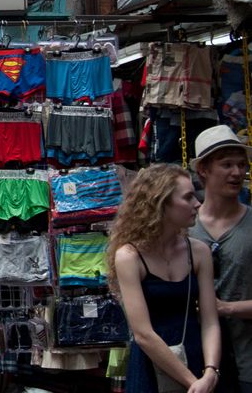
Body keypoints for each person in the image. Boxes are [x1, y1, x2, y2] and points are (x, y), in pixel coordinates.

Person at [108, 164, 222, 393]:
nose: (197, 203)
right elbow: (143, 333)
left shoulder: (199, 252)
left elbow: (210, 320)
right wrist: (193, 383)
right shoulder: (130, 257)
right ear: (161, 203)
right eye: (188, 197)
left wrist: (210, 372)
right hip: (153, 363)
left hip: (198, 358)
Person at [190, 125, 252, 393]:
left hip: (247, 361)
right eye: (227, 164)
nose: (237, 173)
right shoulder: (185, 227)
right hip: (196, 365)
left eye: (242, 165)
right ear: (203, 169)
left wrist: (225, 308)